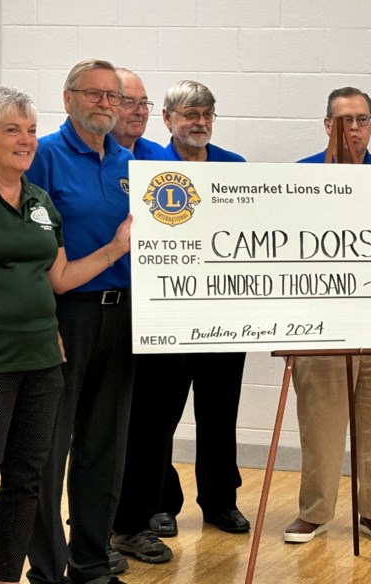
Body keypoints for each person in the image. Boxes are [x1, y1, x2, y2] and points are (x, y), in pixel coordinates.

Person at [0, 85, 130, 584]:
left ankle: (6, 578)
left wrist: (114, 249)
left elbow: (57, 278)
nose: (26, 141)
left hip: (43, 361)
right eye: (12, 131)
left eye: (32, 131)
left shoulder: (39, 201)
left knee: (25, 481)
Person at [110, 80, 251, 566]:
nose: (200, 121)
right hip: (166, 313)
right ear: (167, 118)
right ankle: (159, 506)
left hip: (225, 315)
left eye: (207, 113)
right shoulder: (149, 166)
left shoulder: (236, 169)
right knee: (157, 416)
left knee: (220, 412)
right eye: (190, 113)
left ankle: (220, 501)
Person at [283, 87, 371, 545]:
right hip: (321, 324)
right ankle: (314, 512)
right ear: (326, 125)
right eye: (343, 120)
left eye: (361, 119)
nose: (353, 128)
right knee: (319, 424)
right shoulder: (300, 179)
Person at [25, 59, 136, 584]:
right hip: (65, 317)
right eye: (93, 95)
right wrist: (44, 322)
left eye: (112, 96)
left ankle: (90, 563)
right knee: (49, 448)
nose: (105, 104)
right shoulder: (44, 155)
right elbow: (30, 253)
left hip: (123, 316)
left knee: (104, 447)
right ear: (67, 98)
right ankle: (46, 569)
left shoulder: (128, 162)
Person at [111, 68, 166, 161]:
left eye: (144, 103)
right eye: (129, 102)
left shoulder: (159, 156)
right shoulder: (91, 156)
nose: (140, 112)